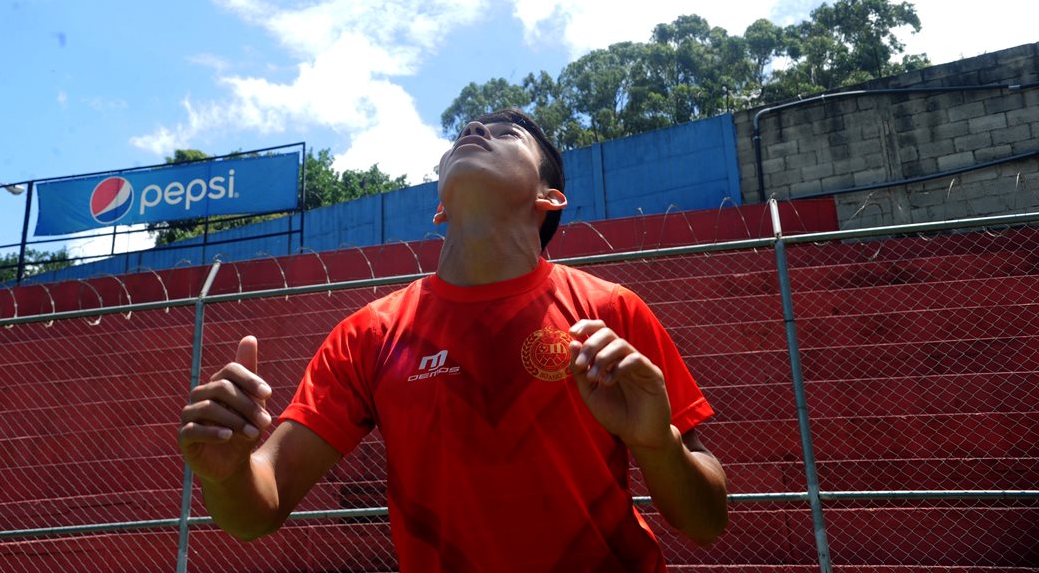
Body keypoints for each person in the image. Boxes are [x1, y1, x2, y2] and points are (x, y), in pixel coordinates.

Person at [179, 107, 728, 572]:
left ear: (550, 196)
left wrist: (661, 445)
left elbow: (707, 520)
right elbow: (257, 510)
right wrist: (226, 475)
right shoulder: (370, 334)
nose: (475, 128)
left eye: (507, 134)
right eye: (466, 131)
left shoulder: (611, 312)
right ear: (440, 205)